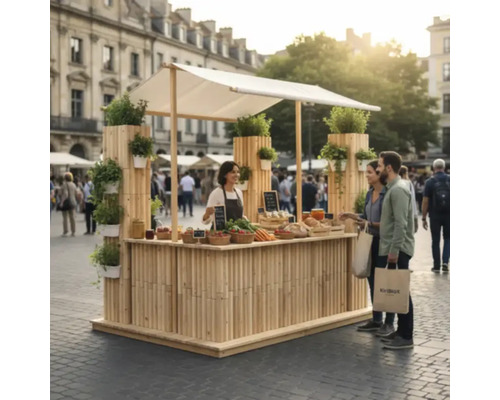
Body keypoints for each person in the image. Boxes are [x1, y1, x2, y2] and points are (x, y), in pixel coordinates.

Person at [339, 161, 395, 338]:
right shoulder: (369, 193)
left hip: (384, 243)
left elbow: (389, 223)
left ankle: (389, 323)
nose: (367, 175)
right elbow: (366, 216)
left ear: (379, 174)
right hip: (370, 241)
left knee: (385, 283)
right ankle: (376, 318)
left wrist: (368, 223)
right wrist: (351, 216)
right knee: (372, 280)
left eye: (370, 172)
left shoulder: (388, 195)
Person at [376, 151, 415, 350]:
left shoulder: (398, 189)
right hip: (395, 248)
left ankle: (406, 336)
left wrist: (394, 251)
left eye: (380, 166)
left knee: (401, 291)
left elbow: (401, 224)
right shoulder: (394, 188)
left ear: (389, 168)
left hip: (398, 249)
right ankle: (400, 331)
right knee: (399, 291)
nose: (377, 169)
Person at [422, 159, 450, 273]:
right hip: (449, 214)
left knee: (435, 240)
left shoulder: (430, 182)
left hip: (434, 215)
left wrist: (424, 217)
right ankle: (445, 262)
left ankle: (436, 265)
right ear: (444, 167)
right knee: (448, 239)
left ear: (434, 168)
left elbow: (425, 201)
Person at [202, 161, 247, 226]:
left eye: (238, 172)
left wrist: (244, 219)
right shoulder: (216, 193)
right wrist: (207, 214)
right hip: (221, 234)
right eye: (233, 172)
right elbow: (206, 222)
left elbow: (240, 216)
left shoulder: (239, 192)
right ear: (225, 174)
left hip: (237, 233)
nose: (237, 175)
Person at [399, 166, 418, 233]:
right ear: (405, 173)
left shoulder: (394, 183)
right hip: (408, 214)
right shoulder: (409, 184)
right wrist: (415, 216)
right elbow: (412, 200)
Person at [60, 172, 78, 237]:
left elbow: (65, 194)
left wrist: (62, 202)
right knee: (72, 218)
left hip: (66, 202)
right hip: (73, 202)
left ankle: (65, 231)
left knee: (65, 217)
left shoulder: (64, 185)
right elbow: (76, 193)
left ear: (65, 178)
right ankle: (73, 231)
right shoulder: (74, 184)